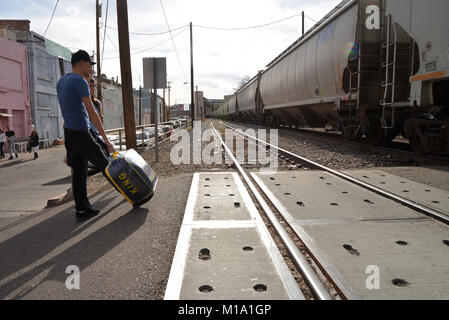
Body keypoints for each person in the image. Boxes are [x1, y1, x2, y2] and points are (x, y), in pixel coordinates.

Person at [56, 49, 114, 222]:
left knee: (79, 173)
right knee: (106, 163)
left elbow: (68, 108)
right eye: (90, 64)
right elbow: (92, 113)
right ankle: (133, 194)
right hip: (82, 131)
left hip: (69, 132)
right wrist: (106, 139)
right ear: (82, 62)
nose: (91, 68)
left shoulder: (61, 81)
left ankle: (82, 209)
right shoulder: (80, 81)